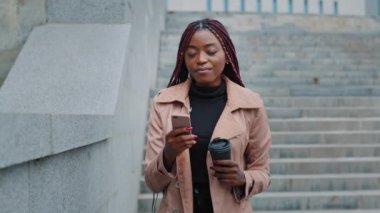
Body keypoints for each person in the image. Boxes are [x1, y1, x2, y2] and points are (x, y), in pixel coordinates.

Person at [144, 18, 271, 213]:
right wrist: (169, 153)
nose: (201, 59)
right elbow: (152, 183)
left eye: (211, 52)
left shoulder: (251, 105)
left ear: (226, 55)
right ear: (183, 59)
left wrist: (243, 177)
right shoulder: (163, 103)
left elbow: (262, 172)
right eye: (192, 53)